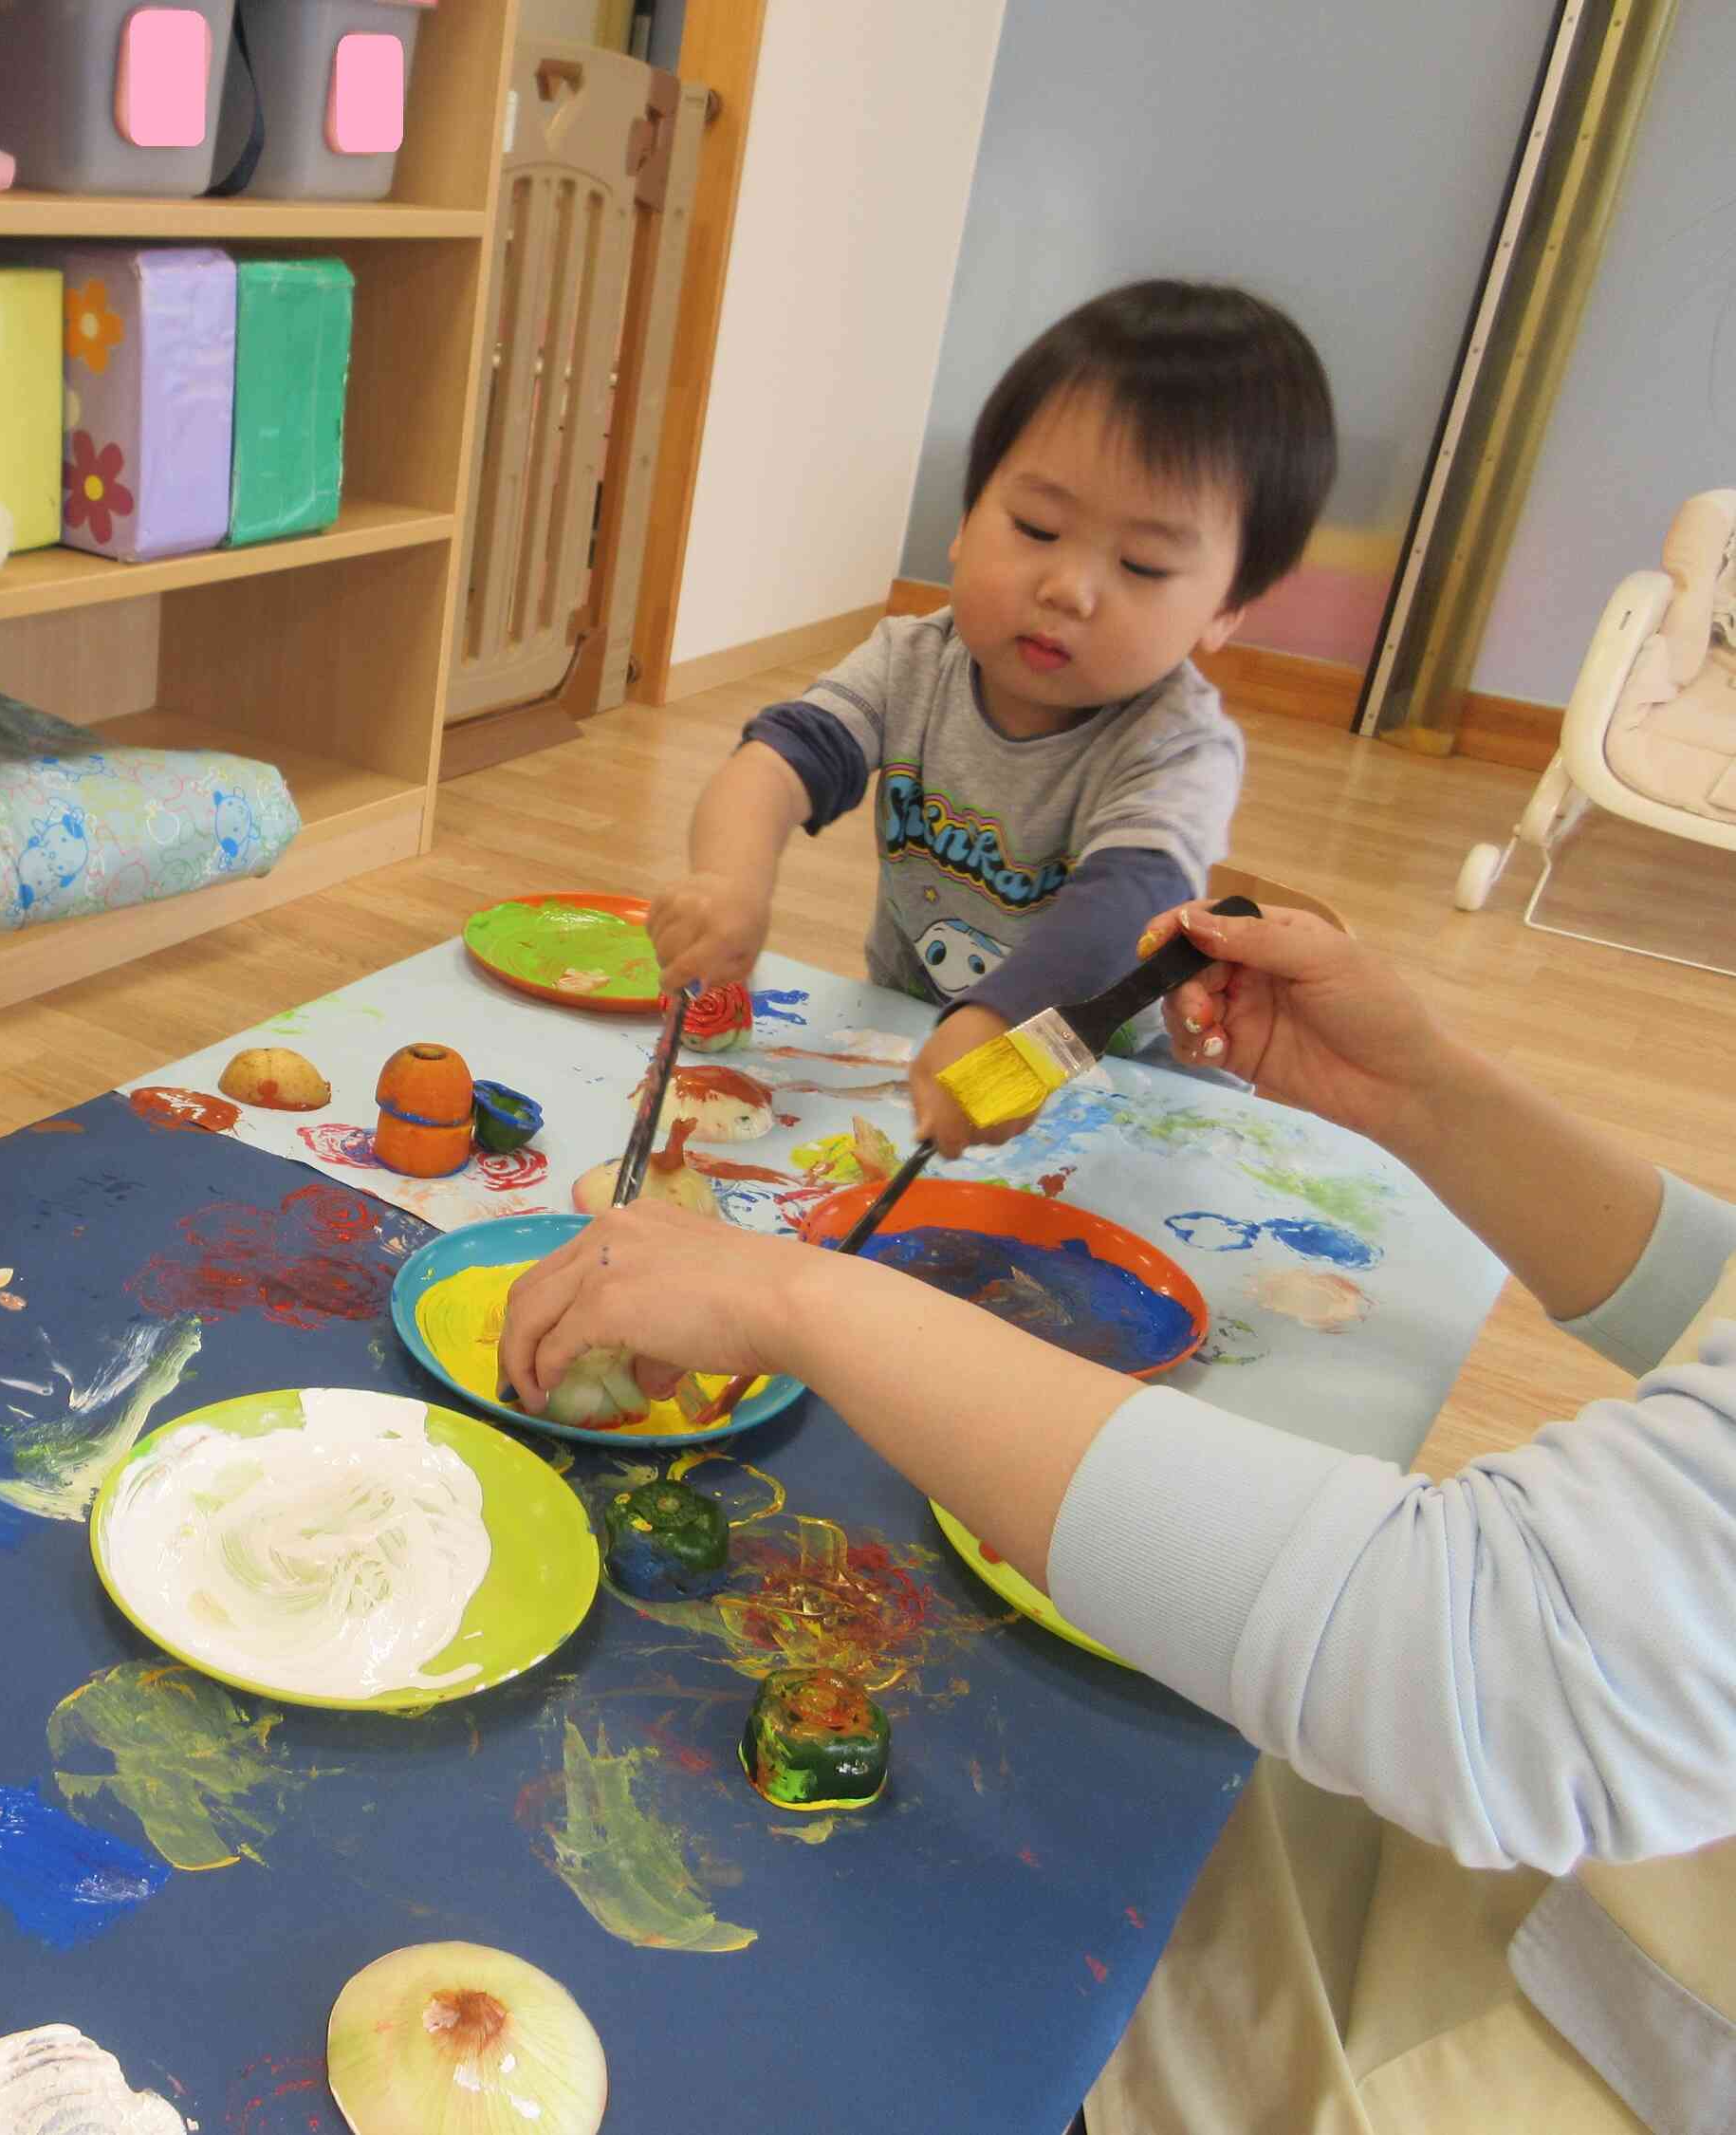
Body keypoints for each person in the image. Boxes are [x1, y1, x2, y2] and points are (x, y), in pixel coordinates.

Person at [502, 901, 1736, 2132]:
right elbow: (1711, 1299)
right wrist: (1418, 1092)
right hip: (1333, 1860)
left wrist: (801, 1300)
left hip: (1411, 2050)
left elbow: (1501, 1664)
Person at [647, 279, 1336, 1156]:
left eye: (1142, 564)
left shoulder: (1176, 744)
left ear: (1226, 608)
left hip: (1122, 1098)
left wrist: (997, 1018)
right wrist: (730, 880)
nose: (1068, 588)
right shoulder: (911, 662)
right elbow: (777, 763)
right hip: (928, 1044)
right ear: (967, 520)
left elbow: (1128, 903)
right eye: (1038, 526)